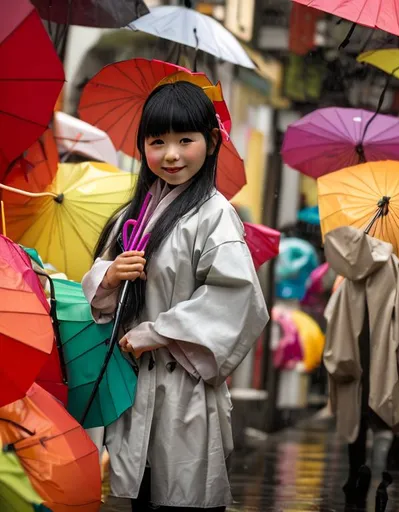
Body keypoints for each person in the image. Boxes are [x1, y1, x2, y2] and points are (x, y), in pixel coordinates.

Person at [82, 81, 269, 511]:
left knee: (182, 496)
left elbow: (238, 300)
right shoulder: (132, 215)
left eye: (186, 140)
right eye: (157, 141)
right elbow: (95, 289)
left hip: (183, 387)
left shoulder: (216, 215)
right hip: (133, 388)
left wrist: (158, 331)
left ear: (212, 141)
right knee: (142, 496)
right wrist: (109, 276)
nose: (171, 154)